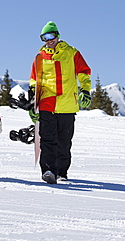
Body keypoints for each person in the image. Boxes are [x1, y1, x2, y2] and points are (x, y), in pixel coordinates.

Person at [29, 21, 91, 184]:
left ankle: (62, 171)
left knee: (64, 141)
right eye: (45, 37)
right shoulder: (39, 57)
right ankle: (49, 170)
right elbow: (34, 79)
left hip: (67, 104)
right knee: (48, 139)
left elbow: (84, 72)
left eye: (51, 36)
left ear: (57, 35)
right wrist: (32, 98)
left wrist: (85, 89)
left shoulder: (71, 53)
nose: (49, 40)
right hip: (46, 104)